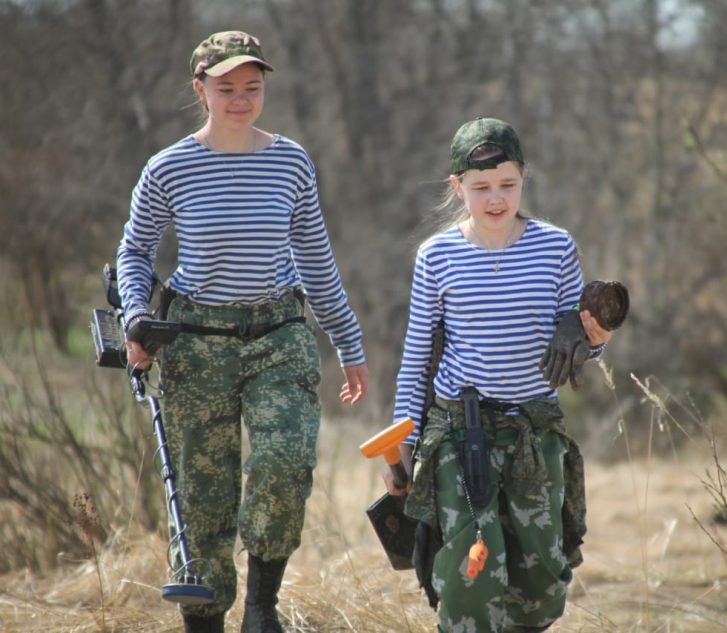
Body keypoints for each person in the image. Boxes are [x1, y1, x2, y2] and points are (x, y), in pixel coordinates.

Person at [116, 31, 369, 633]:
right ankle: (205, 619)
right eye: (226, 88)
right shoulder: (169, 167)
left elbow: (316, 256)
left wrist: (348, 341)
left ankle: (262, 608)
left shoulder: (291, 161)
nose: (240, 99)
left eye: (251, 88)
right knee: (203, 499)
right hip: (193, 339)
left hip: (277, 333)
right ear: (200, 89)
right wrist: (134, 318)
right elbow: (135, 253)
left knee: (284, 460)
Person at [385, 117, 612, 632]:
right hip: (463, 439)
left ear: (524, 178)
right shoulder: (436, 256)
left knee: (540, 588)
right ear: (457, 186)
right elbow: (417, 356)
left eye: (507, 185)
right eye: (481, 187)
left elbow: (580, 348)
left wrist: (594, 340)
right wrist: (401, 442)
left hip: (534, 437)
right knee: (471, 583)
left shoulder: (555, 247)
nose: (495, 199)